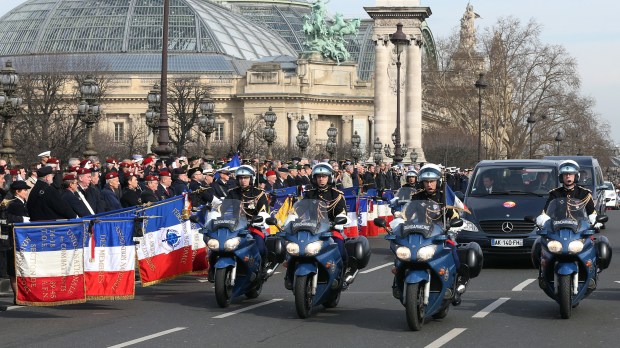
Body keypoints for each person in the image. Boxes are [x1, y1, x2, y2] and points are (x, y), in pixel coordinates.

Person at [402, 163, 465, 305]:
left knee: (454, 252)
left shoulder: (445, 198)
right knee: (402, 253)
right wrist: (398, 222)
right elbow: (406, 214)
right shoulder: (417, 197)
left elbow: (455, 216)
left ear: (438, 181)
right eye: (426, 181)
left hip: (440, 235)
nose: (429, 184)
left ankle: (457, 282)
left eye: (432, 181)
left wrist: (452, 227)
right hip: (421, 235)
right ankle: (398, 279)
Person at [296, 162, 354, 289]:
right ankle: (291, 274)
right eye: (318, 176)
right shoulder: (309, 194)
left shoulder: (336, 195)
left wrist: (339, 221)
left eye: (324, 176)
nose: (321, 179)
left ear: (329, 178)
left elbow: (342, 212)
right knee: (294, 248)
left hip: (331, 230)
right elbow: (299, 210)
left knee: (340, 248)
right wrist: (292, 219)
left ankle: (342, 275)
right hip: (312, 231)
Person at [225, 165, 271, 278]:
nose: (243, 180)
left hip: (253, 227)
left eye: (246, 177)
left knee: (260, 247)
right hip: (234, 227)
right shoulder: (232, 193)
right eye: (240, 178)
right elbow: (223, 209)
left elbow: (264, 211)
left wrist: (260, 218)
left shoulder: (259, 193)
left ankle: (262, 267)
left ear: (251, 178)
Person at [2, 181, 30, 303]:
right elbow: (6, 218)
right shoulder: (13, 204)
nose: (26, 192)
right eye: (24, 190)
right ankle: (17, 296)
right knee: (14, 269)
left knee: (21, 268)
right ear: (17, 192)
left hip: (22, 240)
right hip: (13, 240)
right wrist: (23, 219)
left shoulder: (23, 203)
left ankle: (23, 295)